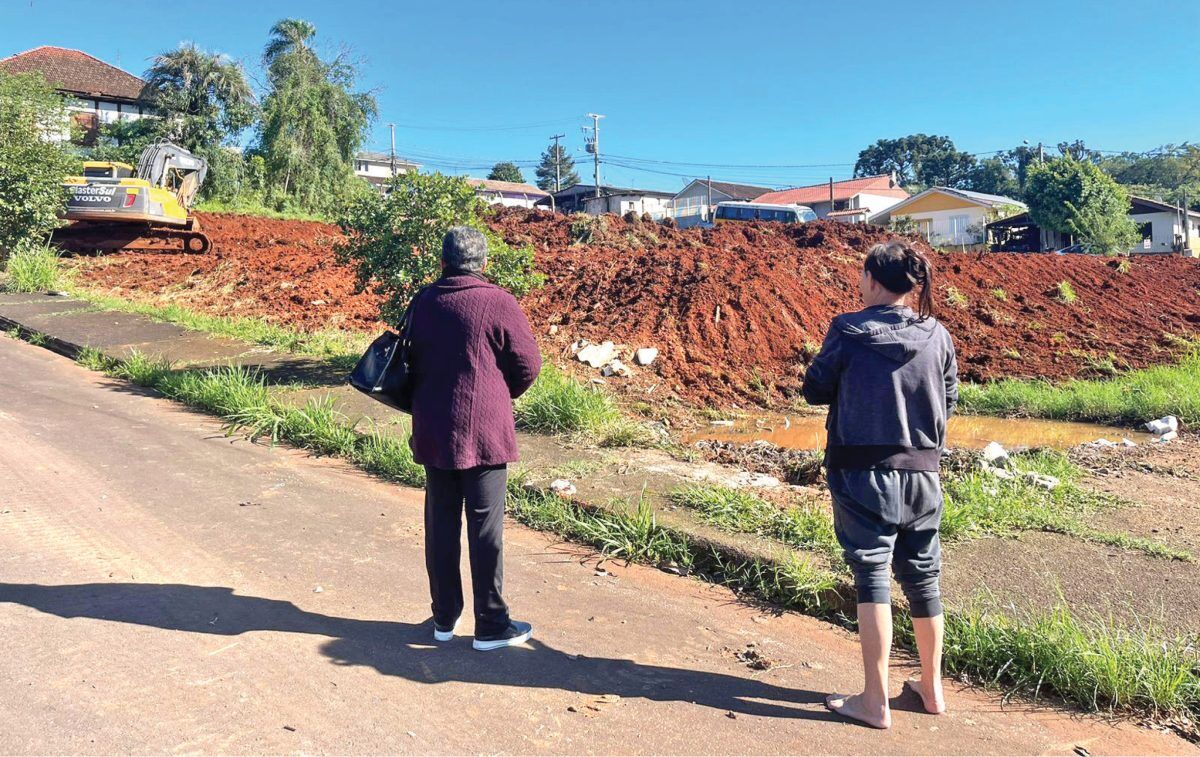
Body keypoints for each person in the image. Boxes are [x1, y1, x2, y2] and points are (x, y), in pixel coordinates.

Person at [802, 240, 958, 729]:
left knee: (872, 578)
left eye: (862, 275)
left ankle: (874, 701)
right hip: (924, 475)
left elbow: (814, 389)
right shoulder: (938, 334)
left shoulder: (848, 329)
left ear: (872, 279)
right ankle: (931, 690)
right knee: (923, 579)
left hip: (861, 473)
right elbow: (949, 398)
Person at [408, 226, 542, 651]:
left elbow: (409, 359)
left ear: (443, 262)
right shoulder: (499, 302)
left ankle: (444, 618)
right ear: (483, 264)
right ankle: (491, 625)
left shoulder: (423, 301)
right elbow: (529, 365)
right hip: (484, 432)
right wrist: (499, 395)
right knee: (486, 528)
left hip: (433, 429)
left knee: (440, 524)